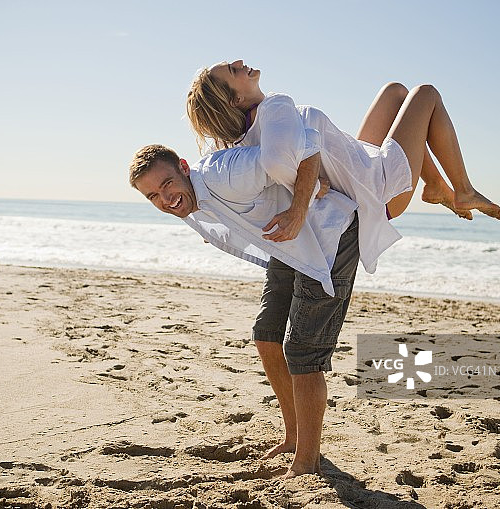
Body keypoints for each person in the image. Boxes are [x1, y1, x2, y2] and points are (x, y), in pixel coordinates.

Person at [129, 141, 360, 478]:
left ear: (183, 167)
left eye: (166, 185)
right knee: (267, 336)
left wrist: (315, 185)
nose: (164, 199)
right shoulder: (187, 202)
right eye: (152, 196)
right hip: (287, 243)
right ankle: (294, 437)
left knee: (301, 352)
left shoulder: (224, 174)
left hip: (329, 234)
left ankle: (307, 463)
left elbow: (299, 147)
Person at [187, 61, 500, 244]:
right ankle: (462, 190)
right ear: (234, 100)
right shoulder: (273, 108)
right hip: (379, 189)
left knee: (395, 92)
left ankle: (436, 185)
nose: (241, 63)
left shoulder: (249, 138)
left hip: (358, 165)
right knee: (425, 94)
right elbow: (278, 165)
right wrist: (311, 188)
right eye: (233, 69)